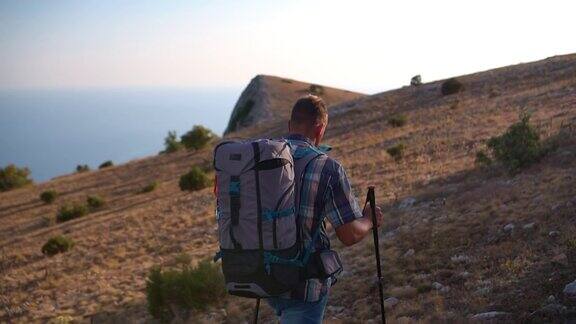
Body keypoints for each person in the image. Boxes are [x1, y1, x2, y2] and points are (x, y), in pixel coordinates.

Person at [266, 95, 384, 323]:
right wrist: (369, 220)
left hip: (265, 277)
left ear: (290, 126)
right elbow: (348, 234)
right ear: (320, 129)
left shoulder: (264, 159)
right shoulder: (327, 167)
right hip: (303, 285)